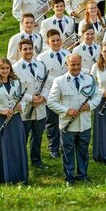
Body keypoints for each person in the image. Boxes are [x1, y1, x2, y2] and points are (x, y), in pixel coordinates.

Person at [47, 53, 102, 185]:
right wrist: (67, 111)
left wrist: (90, 105)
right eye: (73, 65)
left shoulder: (89, 79)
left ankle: (82, 175)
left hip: (84, 123)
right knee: (68, 151)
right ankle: (69, 177)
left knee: (83, 150)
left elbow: (97, 96)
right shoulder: (59, 81)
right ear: (67, 65)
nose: (76, 67)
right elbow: (51, 102)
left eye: (78, 64)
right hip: (67, 124)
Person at [0, 58, 29, 185]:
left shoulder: (16, 82)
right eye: (2, 68)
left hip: (15, 120)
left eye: (7, 68)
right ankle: (1, 177)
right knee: (2, 148)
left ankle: (19, 177)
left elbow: (22, 100)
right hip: (0, 121)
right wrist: (0, 111)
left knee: (16, 148)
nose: (5, 71)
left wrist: (21, 106)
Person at [13, 39, 49, 170]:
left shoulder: (40, 65)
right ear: (20, 50)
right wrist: (30, 98)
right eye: (25, 49)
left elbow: (46, 84)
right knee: (22, 138)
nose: (28, 51)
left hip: (39, 107)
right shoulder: (15, 68)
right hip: (24, 109)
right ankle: (20, 162)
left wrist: (43, 96)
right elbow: (15, 90)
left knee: (38, 137)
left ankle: (36, 161)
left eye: (30, 48)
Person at [37, 29, 71, 159]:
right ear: (48, 42)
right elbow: (42, 77)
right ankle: (53, 147)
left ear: (61, 41)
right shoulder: (42, 57)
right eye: (53, 41)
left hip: (67, 92)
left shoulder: (68, 54)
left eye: (58, 40)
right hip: (52, 92)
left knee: (66, 119)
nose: (56, 43)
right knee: (52, 122)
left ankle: (65, 145)